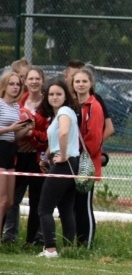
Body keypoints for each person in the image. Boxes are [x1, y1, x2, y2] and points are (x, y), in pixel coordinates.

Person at [3, 67, 48, 245]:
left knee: (37, 201)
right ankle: (9, 237)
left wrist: (32, 136)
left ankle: (33, 240)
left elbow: (47, 135)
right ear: (26, 82)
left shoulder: (48, 104)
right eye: (30, 79)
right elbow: (13, 132)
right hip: (19, 156)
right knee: (12, 199)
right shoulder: (17, 103)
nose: (34, 82)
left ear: (42, 81)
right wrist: (22, 135)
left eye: (38, 78)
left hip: (38, 158)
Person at [37, 77, 81, 258]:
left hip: (64, 164)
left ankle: (50, 249)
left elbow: (63, 133)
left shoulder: (64, 111)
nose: (54, 97)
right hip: (70, 164)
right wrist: (47, 156)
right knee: (65, 209)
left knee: (44, 208)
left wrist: (62, 155)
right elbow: (57, 138)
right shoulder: (58, 114)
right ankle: (70, 248)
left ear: (65, 96)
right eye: (51, 94)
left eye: (58, 94)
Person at [71, 67, 105, 248]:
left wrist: (80, 156)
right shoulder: (71, 105)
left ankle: (87, 244)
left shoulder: (95, 106)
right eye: (77, 81)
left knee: (84, 205)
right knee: (74, 205)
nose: (81, 84)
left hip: (86, 163)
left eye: (84, 81)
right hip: (72, 162)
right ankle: (74, 240)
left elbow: (94, 138)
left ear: (91, 83)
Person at [0, 70, 30, 239]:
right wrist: (10, 128)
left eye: (18, 84)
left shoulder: (17, 106)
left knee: (10, 202)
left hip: (10, 151)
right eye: (11, 84)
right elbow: (7, 131)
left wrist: (25, 129)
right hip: (0, 149)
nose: (15, 87)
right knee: (2, 200)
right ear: (4, 85)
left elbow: (14, 137)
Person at [65, 60, 114, 140]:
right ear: (66, 77)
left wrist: (93, 146)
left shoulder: (95, 100)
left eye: (83, 79)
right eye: (75, 76)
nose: (80, 83)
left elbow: (109, 128)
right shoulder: (60, 98)